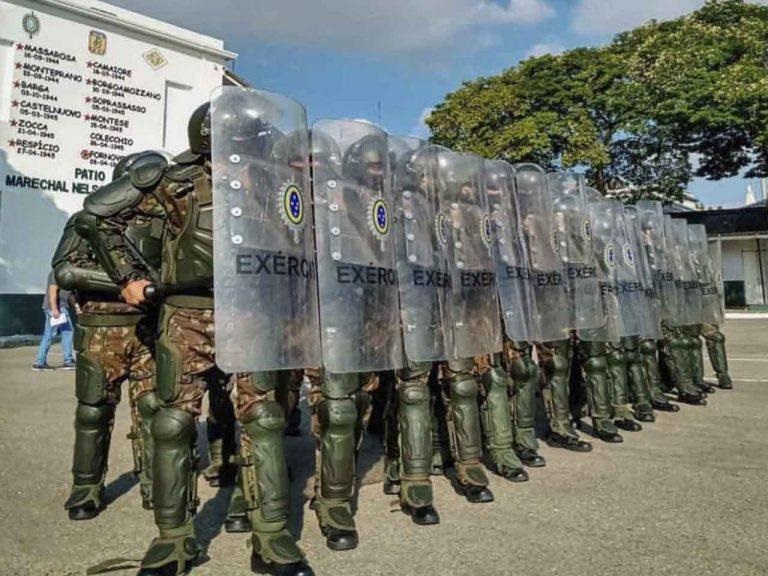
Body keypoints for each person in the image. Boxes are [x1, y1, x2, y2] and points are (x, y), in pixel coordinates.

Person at [79, 93, 315, 576]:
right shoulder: (174, 182)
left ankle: (270, 536)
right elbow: (96, 215)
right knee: (172, 424)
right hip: (186, 313)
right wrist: (126, 275)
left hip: (253, 310)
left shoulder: (272, 183)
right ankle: (173, 539)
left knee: (265, 418)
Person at [32, 270, 75, 371]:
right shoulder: (57, 273)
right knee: (51, 334)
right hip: (56, 308)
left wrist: (77, 308)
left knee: (66, 332)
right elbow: (52, 291)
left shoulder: (68, 273)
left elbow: (71, 295)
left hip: (61, 307)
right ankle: (40, 362)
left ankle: (67, 360)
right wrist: (54, 309)